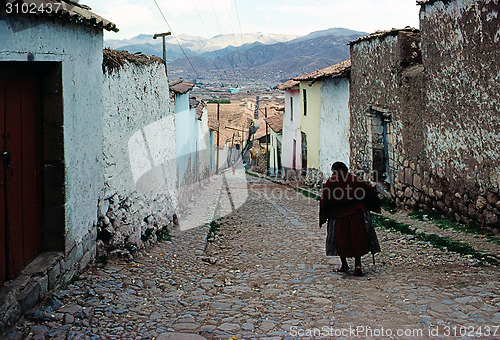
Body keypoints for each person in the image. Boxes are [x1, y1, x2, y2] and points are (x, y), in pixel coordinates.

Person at [319, 161, 381, 276]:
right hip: (357, 215)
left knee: (341, 240)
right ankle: (358, 265)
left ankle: (344, 264)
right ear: (345, 170)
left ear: (334, 171)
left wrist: (324, 215)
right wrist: (370, 205)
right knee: (356, 239)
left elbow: (324, 200)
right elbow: (369, 192)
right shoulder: (355, 180)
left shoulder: (330, 182)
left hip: (338, 217)